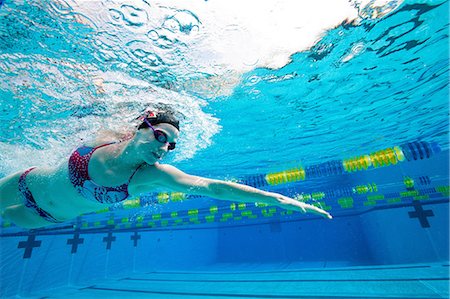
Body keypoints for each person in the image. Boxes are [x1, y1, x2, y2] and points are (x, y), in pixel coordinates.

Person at [0, 111, 332, 229]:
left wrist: (276, 199)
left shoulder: (151, 176)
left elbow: (212, 187)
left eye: (170, 145)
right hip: (24, 183)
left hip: (45, 218)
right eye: (160, 136)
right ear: (140, 128)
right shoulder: (105, 136)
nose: (163, 147)